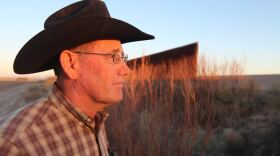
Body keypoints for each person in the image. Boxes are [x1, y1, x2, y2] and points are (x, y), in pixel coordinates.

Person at [0, 0, 154, 155]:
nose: (126, 70)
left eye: (122, 57)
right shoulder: (17, 145)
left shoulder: (96, 120)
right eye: (113, 56)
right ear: (71, 64)